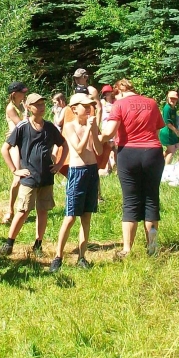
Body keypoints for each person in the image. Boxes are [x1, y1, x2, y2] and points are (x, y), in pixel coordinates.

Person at [100, 79, 165, 257]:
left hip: (128, 153)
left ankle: (127, 249)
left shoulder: (119, 104)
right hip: (153, 152)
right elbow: (158, 131)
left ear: (118, 92)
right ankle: (152, 246)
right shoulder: (151, 103)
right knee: (151, 198)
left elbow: (109, 132)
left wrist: (97, 139)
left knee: (130, 200)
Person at [0, 93, 67, 256]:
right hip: (29, 177)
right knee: (23, 211)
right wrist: (15, 170)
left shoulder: (49, 127)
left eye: (43, 104)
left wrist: (58, 165)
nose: (42, 107)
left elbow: (64, 145)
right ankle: (9, 243)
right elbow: (5, 149)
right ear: (29, 107)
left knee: (42, 211)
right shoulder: (23, 127)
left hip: (46, 177)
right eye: (37, 105)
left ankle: (38, 244)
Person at [49, 94, 102, 272]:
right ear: (74, 109)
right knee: (70, 216)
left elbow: (99, 150)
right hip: (77, 171)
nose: (88, 109)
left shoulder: (91, 125)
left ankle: (82, 257)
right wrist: (88, 129)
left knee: (86, 217)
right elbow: (78, 149)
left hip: (92, 171)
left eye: (90, 106)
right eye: (84, 106)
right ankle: (58, 257)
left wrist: (94, 131)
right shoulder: (70, 126)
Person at [4, 81, 28, 223]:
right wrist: (26, 114)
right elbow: (22, 125)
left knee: (25, 176)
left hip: (23, 143)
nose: (24, 94)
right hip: (14, 145)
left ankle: (21, 208)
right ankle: (10, 210)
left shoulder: (21, 106)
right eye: (22, 92)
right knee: (17, 177)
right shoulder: (11, 108)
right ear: (14, 94)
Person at [159, 90, 179, 165]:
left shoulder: (173, 108)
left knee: (178, 145)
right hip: (167, 132)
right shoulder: (167, 108)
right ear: (167, 98)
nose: (173, 100)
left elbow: (174, 119)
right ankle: (166, 169)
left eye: (175, 98)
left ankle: (157, 159)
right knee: (171, 151)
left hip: (172, 132)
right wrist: (176, 131)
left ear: (177, 99)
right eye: (171, 98)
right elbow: (167, 123)